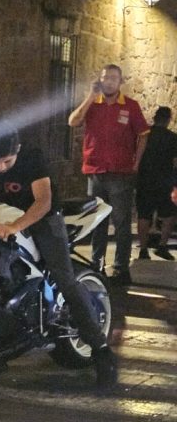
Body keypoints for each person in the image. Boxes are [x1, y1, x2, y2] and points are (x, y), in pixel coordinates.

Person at [0, 127, 118, 391]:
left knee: (65, 279)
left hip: (41, 219)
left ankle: (101, 351)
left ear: (17, 151)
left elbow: (43, 201)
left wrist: (15, 226)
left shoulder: (32, 157)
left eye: (7, 162)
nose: (0, 167)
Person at [68, 64, 149, 284]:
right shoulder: (93, 103)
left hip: (121, 173)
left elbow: (143, 134)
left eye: (114, 78)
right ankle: (97, 265)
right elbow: (73, 121)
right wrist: (89, 97)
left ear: (120, 82)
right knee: (97, 221)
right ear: (100, 80)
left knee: (121, 222)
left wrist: (136, 162)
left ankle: (121, 269)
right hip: (95, 172)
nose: (109, 82)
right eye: (106, 78)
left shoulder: (130, 106)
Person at [136, 106, 177, 260]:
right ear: (168, 120)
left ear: (155, 118)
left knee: (143, 215)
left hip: (145, 180)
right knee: (169, 215)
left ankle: (143, 249)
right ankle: (162, 246)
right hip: (165, 181)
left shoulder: (144, 135)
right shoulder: (173, 138)